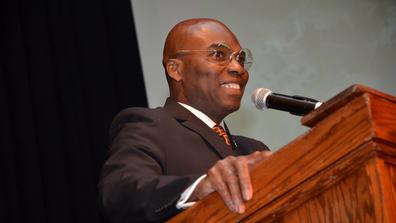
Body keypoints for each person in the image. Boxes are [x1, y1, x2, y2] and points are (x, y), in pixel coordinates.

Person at [98, 18, 272, 223]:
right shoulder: (149, 125)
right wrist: (198, 187)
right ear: (175, 70)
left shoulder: (253, 150)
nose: (238, 69)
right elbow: (120, 193)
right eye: (218, 54)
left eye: (240, 58)